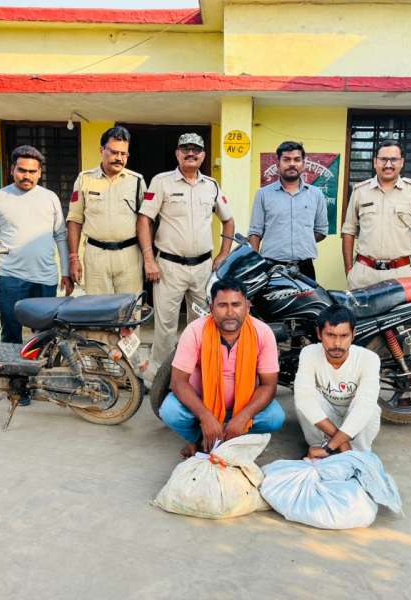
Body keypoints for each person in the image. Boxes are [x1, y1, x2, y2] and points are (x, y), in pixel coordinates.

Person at [138, 133, 235, 380]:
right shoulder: (161, 182)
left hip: (203, 268)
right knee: (166, 326)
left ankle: (195, 374)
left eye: (196, 149)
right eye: (185, 149)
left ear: (203, 155)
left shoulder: (211, 185)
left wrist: (224, 253)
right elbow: (144, 219)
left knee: (201, 323)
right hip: (169, 267)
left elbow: (228, 220)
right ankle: (159, 377)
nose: (191, 153)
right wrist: (149, 260)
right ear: (177, 153)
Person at [159, 278, 286, 458]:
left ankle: (228, 440)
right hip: (203, 404)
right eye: (222, 305)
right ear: (212, 308)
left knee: (274, 417)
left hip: (244, 406)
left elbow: (269, 385)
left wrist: (243, 417)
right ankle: (199, 439)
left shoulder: (263, 333)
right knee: (170, 411)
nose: (230, 312)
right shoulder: (195, 331)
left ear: (247, 307)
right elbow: (178, 382)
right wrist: (205, 416)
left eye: (236, 305)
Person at [0, 144, 72, 345]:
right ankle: (11, 366)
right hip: (10, 278)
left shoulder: (50, 198)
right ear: (12, 169)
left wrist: (66, 273)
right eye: (22, 170)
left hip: (45, 279)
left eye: (32, 171)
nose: (27, 176)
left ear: (39, 173)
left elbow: (60, 236)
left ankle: (41, 366)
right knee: (10, 332)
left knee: (45, 335)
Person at [341, 139, 411, 289]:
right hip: (364, 273)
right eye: (383, 159)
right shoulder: (360, 191)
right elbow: (348, 231)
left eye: (394, 159)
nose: (388, 165)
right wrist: (349, 270)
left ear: (402, 162)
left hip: (401, 274)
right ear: (375, 162)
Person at [66, 126, 147, 294]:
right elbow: (74, 220)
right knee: (97, 306)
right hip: (96, 255)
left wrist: (148, 257)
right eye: (114, 152)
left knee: (129, 306)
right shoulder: (84, 179)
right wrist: (74, 258)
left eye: (124, 154)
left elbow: (145, 222)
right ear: (101, 150)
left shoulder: (137, 181)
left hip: (129, 255)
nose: (119, 158)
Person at [294, 305, 381, 459]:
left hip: (353, 419)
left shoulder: (369, 358)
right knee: (303, 400)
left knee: (371, 408)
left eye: (344, 336)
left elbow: (365, 404)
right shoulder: (309, 353)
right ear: (319, 334)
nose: (337, 344)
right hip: (326, 419)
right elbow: (303, 399)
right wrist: (341, 441)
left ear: (353, 334)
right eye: (331, 335)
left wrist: (332, 445)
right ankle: (319, 447)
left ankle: (356, 453)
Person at [248, 141, 328, 280]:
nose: (292, 164)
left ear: (303, 164)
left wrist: (301, 239)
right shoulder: (263, 194)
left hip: (305, 268)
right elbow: (255, 232)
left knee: (309, 296)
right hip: (271, 267)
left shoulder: (316, 194)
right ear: (278, 164)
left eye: (297, 159)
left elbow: (321, 231)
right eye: (286, 159)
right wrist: (255, 265)